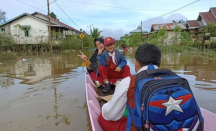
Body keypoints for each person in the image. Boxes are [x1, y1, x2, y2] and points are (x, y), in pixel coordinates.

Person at [98, 43, 204, 131]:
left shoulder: (128, 81)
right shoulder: (177, 78)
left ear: (136, 62)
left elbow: (111, 115)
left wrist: (104, 108)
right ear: (159, 62)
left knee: (103, 118)